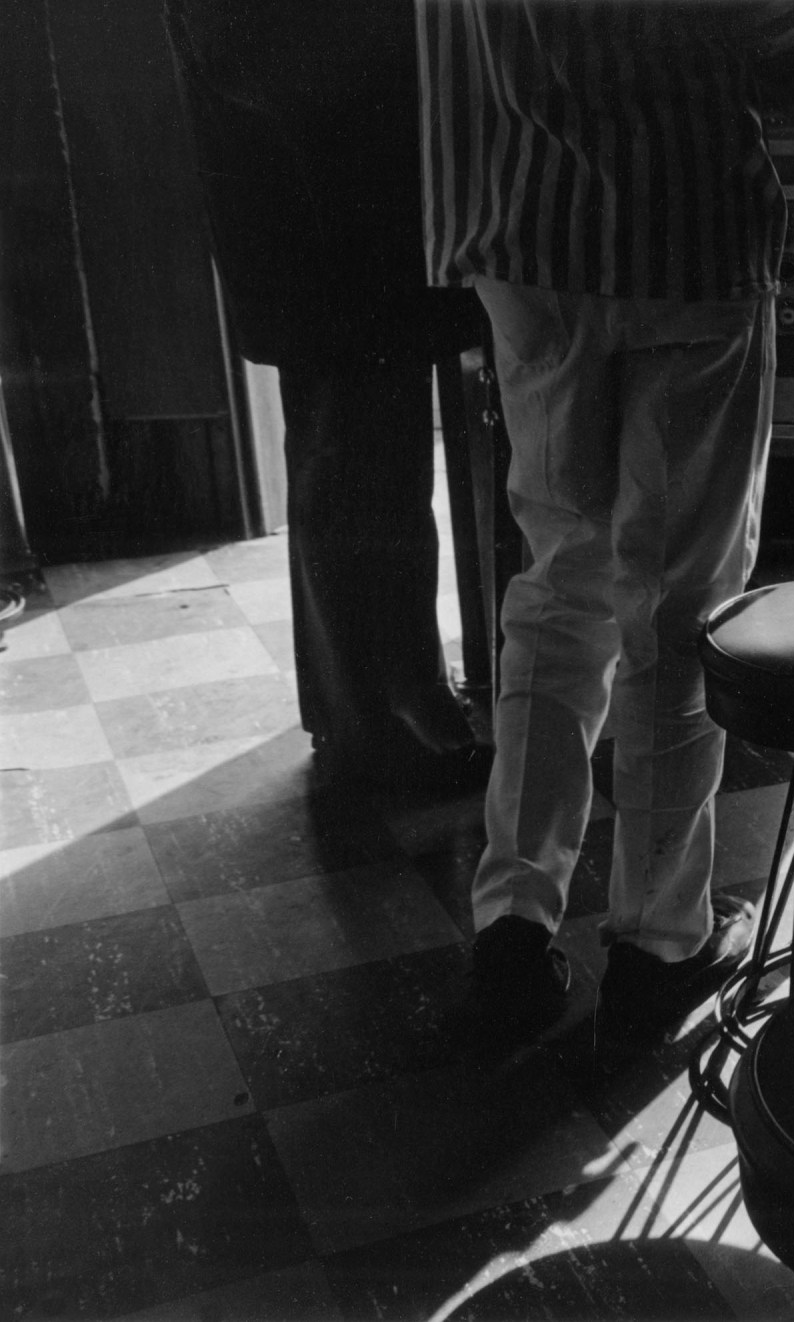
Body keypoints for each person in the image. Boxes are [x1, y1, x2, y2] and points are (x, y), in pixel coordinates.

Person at [419, 0, 794, 1064]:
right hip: (684, 235)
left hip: (521, 234)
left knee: (556, 589)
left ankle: (514, 935)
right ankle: (658, 945)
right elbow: (772, 29)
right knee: (673, 604)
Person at [162, 0, 491, 791]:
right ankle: (384, 720)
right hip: (326, 229)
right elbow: (260, 61)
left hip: (335, 225)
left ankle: (386, 706)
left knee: (373, 469)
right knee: (360, 472)